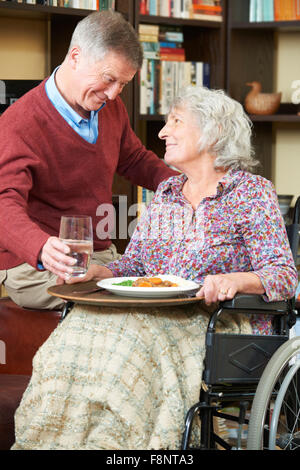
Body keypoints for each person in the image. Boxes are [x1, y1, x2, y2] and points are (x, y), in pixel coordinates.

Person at [12, 86, 298, 450]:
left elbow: (284, 275)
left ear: (213, 133)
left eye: (175, 122)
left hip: (217, 320)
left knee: (128, 345)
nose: (162, 132)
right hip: (152, 311)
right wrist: (95, 273)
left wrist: (233, 280)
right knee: (76, 330)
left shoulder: (251, 193)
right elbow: (135, 265)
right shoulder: (165, 194)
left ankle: (121, 445)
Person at [0, 10, 175, 310]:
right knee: (122, 307)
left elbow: (133, 158)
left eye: (123, 84)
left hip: (100, 256)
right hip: (36, 266)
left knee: (164, 291)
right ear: (76, 56)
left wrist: (183, 183)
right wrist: (40, 247)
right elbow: (4, 202)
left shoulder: (111, 107)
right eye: (109, 79)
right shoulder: (20, 122)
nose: (113, 93)